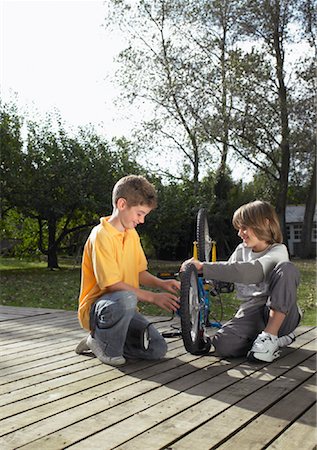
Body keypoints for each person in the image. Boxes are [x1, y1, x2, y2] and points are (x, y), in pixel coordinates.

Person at [75, 175, 180, 366]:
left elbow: (139, 272)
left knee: (157, 349)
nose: (142, 220)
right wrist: (153, 297)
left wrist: (161, 284)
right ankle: (101, 341)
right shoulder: (101, 235)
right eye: (139, 214)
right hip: (98, 309)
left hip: (124, 308)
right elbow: (112, 284)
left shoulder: (131, 235)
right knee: (126, 298)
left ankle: (101, 341)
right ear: (122, 204)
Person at [181, 200, 301, 363]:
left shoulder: (278, 250)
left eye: (244, 227)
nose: (240, 233)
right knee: (222, 344)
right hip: (251, 313)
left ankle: (272, 335)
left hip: (282, 315)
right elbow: (227, 275)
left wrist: (204, 266)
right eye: (239, 228)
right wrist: (193, 276)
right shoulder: (241, 250)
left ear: (265, 223)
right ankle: (277, 341)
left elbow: (250, 272)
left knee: (287, 269)